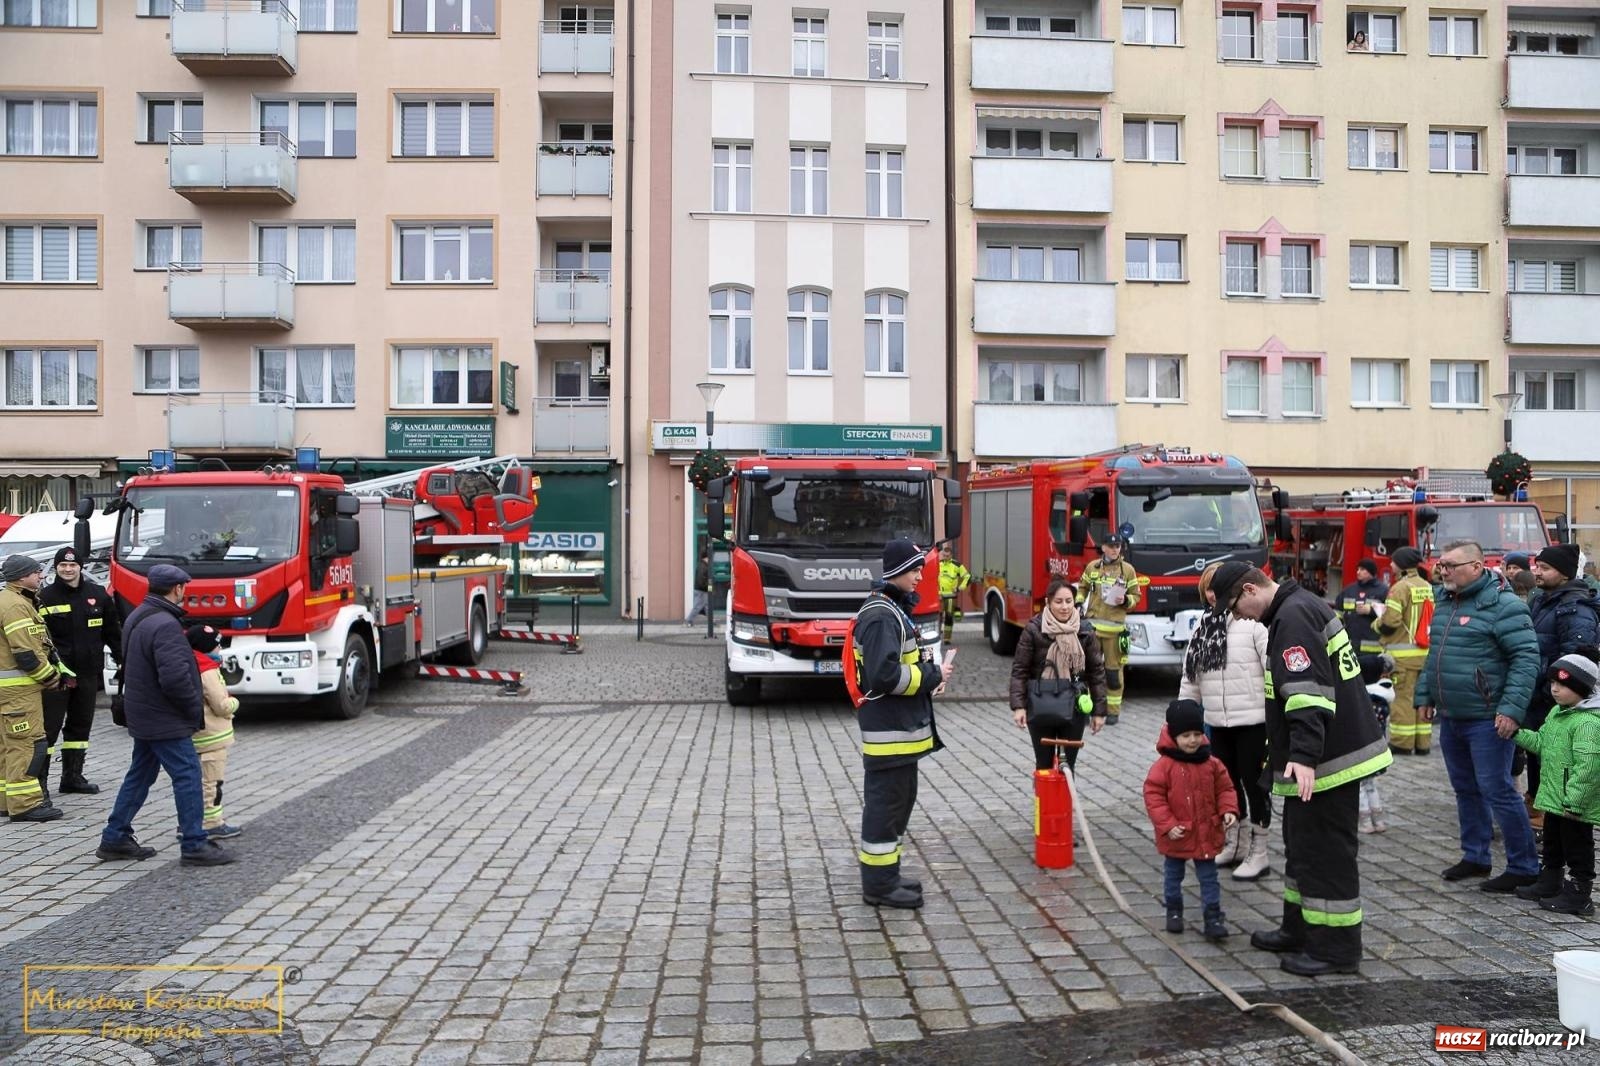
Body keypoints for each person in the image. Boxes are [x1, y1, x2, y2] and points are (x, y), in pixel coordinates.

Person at [1212, 561, 1392, 977]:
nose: (1239, 616)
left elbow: (1308, 695)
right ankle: (1300, 928)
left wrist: (1305, 757)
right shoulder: (1297, 608)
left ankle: (1336, 950)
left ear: (1250, 590)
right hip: (1317, 759)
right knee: (1302, 850)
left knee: (1326, 857)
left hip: (1327, 762)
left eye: (1236, 607)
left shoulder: (1292, 618)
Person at [1414, 540, 1541, 893]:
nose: (1443, 571)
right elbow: (1435, 655)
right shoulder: (1444, 601)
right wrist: (1425, 695)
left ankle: (1523, 865)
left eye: (1450, 566)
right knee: (1465, 789)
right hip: (1453, 716)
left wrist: (1511, 710)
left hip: (1489, 718)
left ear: (1476, 566)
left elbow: (1527, 659)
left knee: (1498, 790)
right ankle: (1476, 856)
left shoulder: (1504, 605)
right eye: (1441, 565)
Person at [98, 564, 235, 867]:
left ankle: (115, 836)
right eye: (184, 587)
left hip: (143, 712)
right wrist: (191, 709)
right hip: (163, 717)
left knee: (140, 775)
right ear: (177, 589)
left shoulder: (138, 615)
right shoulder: (165, 625)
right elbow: (174, 678)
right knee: (187, 775)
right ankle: (194, 844)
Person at [852, 539, 947, 909]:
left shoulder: (890, 608)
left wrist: (929, 674)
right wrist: (930, 676)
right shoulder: (880, 615)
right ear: (895, 572)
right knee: (885, 809)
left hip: (900, 737)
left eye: (921, 568)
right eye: (914, 569)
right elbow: (883, 676)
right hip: (889, 737)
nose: (920, 575)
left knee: (898, 806)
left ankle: (887, 876)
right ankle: (877, 886)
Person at [1178, 561, 1271, 881]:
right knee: (1227, 786)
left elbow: (1272, 668)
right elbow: (1191, 677)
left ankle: (1259, 849)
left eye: (1216, 589)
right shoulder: (1202, 627)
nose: (1211, 594)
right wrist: (1181, 718)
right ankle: (1235, 842)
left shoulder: (1255, 624)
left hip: (1253, 722)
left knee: (1254, 784)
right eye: (1206, 588)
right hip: (1218, 722)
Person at [1510, 647, 1600, 916]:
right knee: (1553, 841)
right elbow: (1542, 743)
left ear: (1582, 689)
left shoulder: (1587, 723)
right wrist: (1517, 734)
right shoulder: (1558, 713)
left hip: (1574, 804)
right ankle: (1551, 879)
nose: (1555, 689)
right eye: (1552, 683)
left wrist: (1575, 800)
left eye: (1563, 684)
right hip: (1554, 798)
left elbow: (1589, 766)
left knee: (1577, 846)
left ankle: (1580, 894)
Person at [1144, 699, 1239, 940]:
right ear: (1174, 736)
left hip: (1206, 832)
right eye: (1186, 735)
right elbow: (1154, 796)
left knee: (1209, 877)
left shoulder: (1212, 763)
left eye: (1197, 734)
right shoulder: (1164, 766)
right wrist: (1167, 825)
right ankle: (1174, 911)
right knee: (1173, 875)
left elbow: (1226, 789)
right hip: (1177, 833)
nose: (1193, 740)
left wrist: (1228, 809)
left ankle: (1213, 915)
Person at [1525, 544, 1600, 831]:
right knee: (1538, 752)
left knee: (1555, 757)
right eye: (1537, 566)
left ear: (1565, 574)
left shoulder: (1575, 610)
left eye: (1545, 568)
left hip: (1554, 697)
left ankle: (1550, 815)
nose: (1537, 572)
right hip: (1541, 693)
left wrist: (1550, 692)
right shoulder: (1544, 601)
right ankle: (1536, 799)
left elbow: (1576, 658)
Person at [37, 545, 122, 795]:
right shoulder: (45, 597)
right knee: (49, 729)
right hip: (56, 677)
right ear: (56, 567)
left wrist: (123, 661)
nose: (67, 569)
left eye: (72, 565)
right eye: (63, 565)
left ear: (80, 567)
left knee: (80, 726)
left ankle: (72, 777)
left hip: (87, 674)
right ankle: (40, 782)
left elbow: (112, 634)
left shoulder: (98, 595)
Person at [1009, 579, 1107, 772]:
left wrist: (1099, 711)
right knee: (1044, 764)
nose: (1064, 607)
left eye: (1069, 601)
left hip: (1074, 706)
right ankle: (1044, 802)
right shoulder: (1033, 629)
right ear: (1048, 602)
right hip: (1040, 704)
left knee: (1068, 767)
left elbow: (1096, 672)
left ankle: (1065, 802)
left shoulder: (1085, 630)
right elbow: (1020, 670)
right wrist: (1018, 707)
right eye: (1059, 601)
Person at [0, 555, 66, 823]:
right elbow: (26, 653)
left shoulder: (10, 600)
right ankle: (25, 805)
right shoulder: (15, 605)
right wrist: (51, 678)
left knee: (7, 746)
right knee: (27, 745)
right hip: (19, 691)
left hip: (9, 690)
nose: (40, 576)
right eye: (36, 572)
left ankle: (6, 802)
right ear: (21, 576)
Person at [1077, 534, 1146, 723]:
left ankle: (1113, 711)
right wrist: (1078, 602)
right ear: (1103, 548)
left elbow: (1136, 597)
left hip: (1114, 631)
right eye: (1111, 546)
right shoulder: (1093, 568)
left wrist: (1126, 600)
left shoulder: (1127, 570)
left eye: (1118, 546)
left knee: (1113, 673)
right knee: (1089, 670)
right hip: (1092, 629)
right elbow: (1082, 587)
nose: (1115, 549)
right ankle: (1087, 708)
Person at [1375, 547, 1434, 755]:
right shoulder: (1426, 585)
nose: (1390, 565)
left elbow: (1391, 622)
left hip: (1403, 657)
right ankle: (1422, 743)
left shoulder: (1400, 587)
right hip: (1424, 654)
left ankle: (1402, 743)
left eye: (1393, 561)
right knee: (1422, 700)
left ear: (1401, 564)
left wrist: (1377, 624)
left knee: (1403, 700)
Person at [187, 625, 241, 840]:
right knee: (213, 782)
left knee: (194, 782)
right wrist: (234, 703)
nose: (220, 648)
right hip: (214, 737)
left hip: (198, 735)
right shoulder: (207, 670)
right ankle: (212, 823)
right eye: (217, 644)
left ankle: (189, 822)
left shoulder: (191, 665)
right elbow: (221, 705)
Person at [1361, 654, 1396, 834]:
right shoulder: (1383, 697)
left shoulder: (1364, 699)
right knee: (1370, 785)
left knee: (1360, 786)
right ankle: (1379, 820)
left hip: (1361, 749)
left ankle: (1365, 821)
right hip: (1377, 749)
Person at [1338, 559, 1388, 656]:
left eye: (1362, 569)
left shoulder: (1383, 591)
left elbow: (1389, 614)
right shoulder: (1349, 590)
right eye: (1358, 569)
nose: (1358, 572)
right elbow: (1337, 612)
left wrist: (1371, 610)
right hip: (1350, 646)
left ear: (1371, 572)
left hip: (1372, 648)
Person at [937, 542, 971, 644]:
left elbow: (967, 577)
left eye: (947, 556)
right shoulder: (938, 564)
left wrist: (960, 588)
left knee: (948, 616)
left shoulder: (957, 565)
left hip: (951, 596)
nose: (945, 557)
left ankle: (947, 638)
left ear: (951, 555)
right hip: (939, 596)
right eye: (944, 555)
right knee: (938, 616)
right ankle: (937, 636)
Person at [684, 544, 710, 626]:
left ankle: (711, 623)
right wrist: (708, 587)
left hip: (702, 589)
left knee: (707, 606)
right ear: (706, 557)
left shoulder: (703, 565)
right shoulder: (703, 566)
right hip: (701, 590)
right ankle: (689, 620)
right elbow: (701, 580)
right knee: (698, 606)